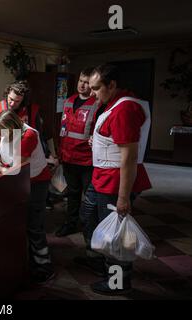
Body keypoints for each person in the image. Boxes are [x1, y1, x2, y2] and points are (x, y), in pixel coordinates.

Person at [76, 64, 152, 295]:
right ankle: (100, 261)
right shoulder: (115, 103)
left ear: (112, 85)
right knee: (89, 216)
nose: (91, 93)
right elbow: (115, 140)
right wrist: (99, 141)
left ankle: (118, 281)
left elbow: (128, 157)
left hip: (114, 181)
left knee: (115, 234)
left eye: (97, 88)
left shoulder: (124, 109)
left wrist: (122, 198)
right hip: (103, 177)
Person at [0, 110, 55, 284]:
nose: (1, 135)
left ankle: (45, 268)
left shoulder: (28, 136)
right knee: (24, 223)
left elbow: (17, 170)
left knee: (35, 226)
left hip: (36, 183)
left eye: (3, 131)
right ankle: (29, 262)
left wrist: (3, 169)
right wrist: (4, 168)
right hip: (20, 183)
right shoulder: (8, 132)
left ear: (14, 126)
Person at [0, 81, 59, 206]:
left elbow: (39, 136)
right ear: (7, 94)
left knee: (30, 206)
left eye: (17, 101)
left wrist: (48, 154)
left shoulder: (31, 114)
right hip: (5, 160)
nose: (12, 103)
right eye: (10, 99)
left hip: (27, 168)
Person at [55, 67, 100, 237]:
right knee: (72, 195)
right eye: (81, 81)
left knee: (90, 197)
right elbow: (63, 130)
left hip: (87, 160)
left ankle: (90, 228)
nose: (82, 85)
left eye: (87, 82)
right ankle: (70, 223)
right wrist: (60, 154)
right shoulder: (68, 101)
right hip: (68, 158)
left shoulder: (97, 104)